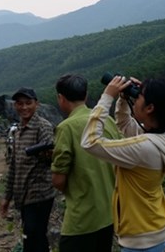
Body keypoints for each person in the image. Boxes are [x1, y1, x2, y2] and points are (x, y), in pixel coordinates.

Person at [81, 75, 165, 252]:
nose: (136, 98)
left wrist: (107, 97)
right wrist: (123, 99)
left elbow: (90, 142)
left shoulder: (145, 148)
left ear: (150, 108)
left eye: (140, 96)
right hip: (155, 226)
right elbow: (125, 126)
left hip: (141, 239)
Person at [50, 74, 121, 252]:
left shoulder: (66, 128)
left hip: (82, 219)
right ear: (86, 95)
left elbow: (58, 181)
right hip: (108, 215)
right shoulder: (108, 121)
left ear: (61, 98)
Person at [0, 87, 56, 252]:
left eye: (28, 103)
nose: (24, 107)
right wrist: (6, 197)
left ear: (36, 104)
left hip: (39, 194)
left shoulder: (43, 127)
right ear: (15, 105)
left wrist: (43, 153)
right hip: (23, 195)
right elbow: (14, 167)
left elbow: (50, 158)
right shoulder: (18, 132)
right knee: (32, 238)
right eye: (20, 104)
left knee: (34, 235)